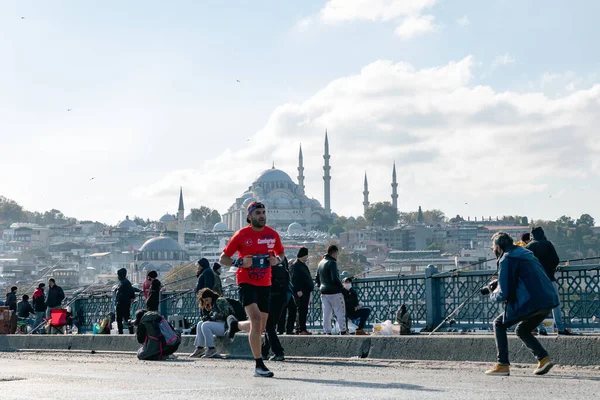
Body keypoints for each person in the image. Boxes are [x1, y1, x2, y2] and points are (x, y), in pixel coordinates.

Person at [219, 201, 285, 378]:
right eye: (258, 213)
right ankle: (259, 365)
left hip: (265, 283)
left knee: (260, 326)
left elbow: (281, 254)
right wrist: (239, 262)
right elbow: (223, 258)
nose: (262, 215)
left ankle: (235, 324)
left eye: (263, 212)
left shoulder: (272, 235)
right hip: (246, 282)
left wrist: (276, 261)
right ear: (249, 216)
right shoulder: (241, 235)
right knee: (256, 320)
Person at [485, 232, 559, 376]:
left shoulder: (506, 258)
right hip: (548, 300)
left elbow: (505, 293)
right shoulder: (526, 253)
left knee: (499, 324)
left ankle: (502, 364)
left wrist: (491, 293)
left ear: (498, 248)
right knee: (522, 330)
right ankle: (543, 359)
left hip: (531, 302)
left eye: (493, 248)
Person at [526, 227, 568, 335]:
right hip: (549, 278)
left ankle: (541, 329)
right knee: (556, 303)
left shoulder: (529, 247)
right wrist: (550, 270)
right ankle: (560, 328)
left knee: (537, 305)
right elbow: (556, 260)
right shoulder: (547, 244)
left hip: (535, 281)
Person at [190, 288, 239, 359]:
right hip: (221, 324)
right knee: (200, 323)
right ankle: (200, 348)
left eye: (207, 300)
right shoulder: (212, 303)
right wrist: (208, 317)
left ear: (211, 296)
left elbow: (226, 314)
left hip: (227, 326)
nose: (206, 302)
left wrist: (211, 318)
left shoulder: (219, 301)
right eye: (204, 301)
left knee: (205, 325)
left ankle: (211, 349)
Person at [263, 257, 290, 361]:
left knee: (268, 325)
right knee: (270, 326)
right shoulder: (282, 263)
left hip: (272, 298)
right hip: (282, 297)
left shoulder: (267, 265)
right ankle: (264, 352)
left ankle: (278, 352)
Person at [315, 245, 347, 335]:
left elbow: (317, 278)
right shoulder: (332, 262)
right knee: (340, 311)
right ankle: (343, 330)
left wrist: (320, 287)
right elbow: (334, 278)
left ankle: (327, 331)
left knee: (326, 313)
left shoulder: (320, 263)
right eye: (337, 254)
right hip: (334, 292)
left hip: (324, 292)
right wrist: (341, 287)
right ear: (334, 253)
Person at [291, 247, 313, 335]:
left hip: (305, 291)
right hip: (301, 292)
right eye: (306, 255)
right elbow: (294, 279)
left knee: (303, 310)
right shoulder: (296, 265)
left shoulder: (301, 265)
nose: (307, 257)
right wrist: (298, 290)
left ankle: (300, 328)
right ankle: (301, 329)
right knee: (301, 310)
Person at [115, 268, 137, 334]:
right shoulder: (125, 282)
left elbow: (131, 291)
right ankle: (128, 331)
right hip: (123, 303)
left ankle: (126, 331)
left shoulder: (125, 282)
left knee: (124, 318)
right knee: (124, 318)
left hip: (123, 303)